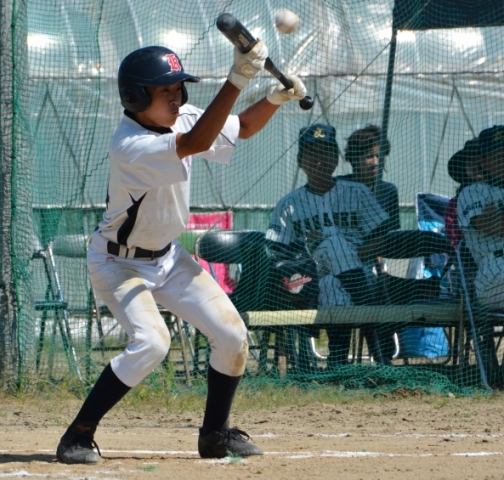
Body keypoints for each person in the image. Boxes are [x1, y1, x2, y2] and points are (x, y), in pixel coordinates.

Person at [55, 44, 307, 464]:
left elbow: (242, 127)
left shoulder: (181, 118)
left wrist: (274, 98)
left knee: (232, 335)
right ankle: (77, 435)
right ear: (134, 97)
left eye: (179, 89)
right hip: (119, 262)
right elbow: (197, 141)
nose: (177, 99)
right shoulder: (129, 145)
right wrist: (237, 79)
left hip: (168, 258)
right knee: (153, 342)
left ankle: (215, 435)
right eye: (164, 91)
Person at [266, 124, 392, 367]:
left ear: (335, 159)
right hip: (311, 276)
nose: (320, 160)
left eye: (326, 152)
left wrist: (351, 254)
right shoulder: (288, 204)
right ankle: (377, 346)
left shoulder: (357, 192)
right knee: (332, 246)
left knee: (333, 281)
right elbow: (279, 252)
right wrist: (307, 251)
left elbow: (382, 238)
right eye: (312, 153)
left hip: (362, 270)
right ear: (300, 161)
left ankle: (338, 365)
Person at [339, 124, 399, 364]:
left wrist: (378, 263)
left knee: (380, 288)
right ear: (353, 159)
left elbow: (387, 238)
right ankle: (337, 361)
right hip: (339, 263)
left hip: (372, 264)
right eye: (368, 156)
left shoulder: (387, 191)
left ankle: (383, 360)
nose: (375, 162)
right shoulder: (339, 188)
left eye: (378, 156)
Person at [458, 125, 504, 311]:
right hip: (495, 273)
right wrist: (496, 219)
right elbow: (494, 226)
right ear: (483, 161)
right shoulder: (473, 191)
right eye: (498, 155)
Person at [446, 138, 483, 251]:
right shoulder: (455, 204)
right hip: (469, 258)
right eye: (470, 161)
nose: (475, 166)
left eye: (480, 160)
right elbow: (453, 241)